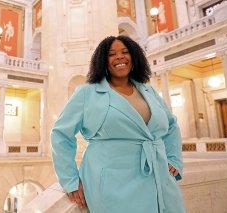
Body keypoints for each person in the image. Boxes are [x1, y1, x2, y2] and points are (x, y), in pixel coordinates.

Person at [51, 35, 185, 213]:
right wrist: (70, 180)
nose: (119, 57)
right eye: (111, 54)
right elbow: (61, 134)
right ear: (103, 62)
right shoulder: (87, 93)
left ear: (134, 57)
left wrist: (174, 159)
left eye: (125, 52)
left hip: (158, 176)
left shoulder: (149, 91)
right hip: (112, 184)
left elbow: (171, 126)